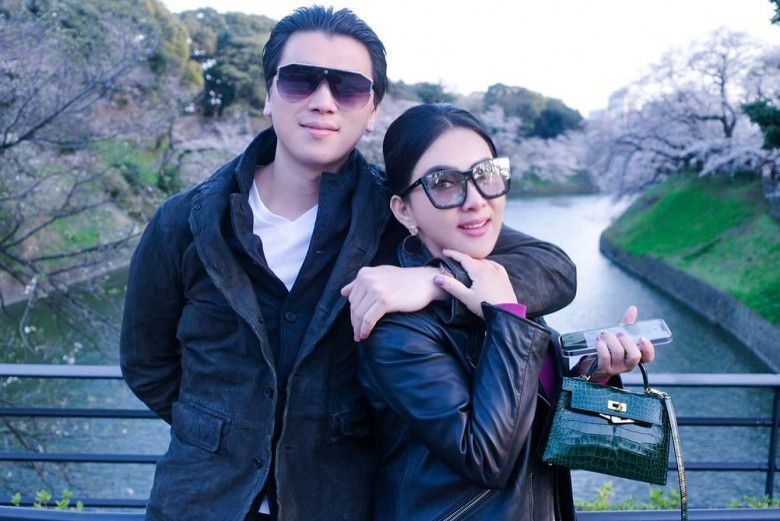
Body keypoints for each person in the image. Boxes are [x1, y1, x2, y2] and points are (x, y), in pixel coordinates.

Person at [119, 7, 577, 521]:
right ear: (269, 93)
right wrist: (217, 429)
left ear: (373, 109)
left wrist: (432, 280)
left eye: (349, 88)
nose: (323, 101)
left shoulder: (400, 213)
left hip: (339, 502)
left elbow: (552, 266)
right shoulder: (188, 219)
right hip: (200, 502)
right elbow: (146, 363)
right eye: (299, 80)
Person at [357, 103, 655, 521]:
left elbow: (534, 430)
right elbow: (485, 458)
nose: (475, 200)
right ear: (404, 209)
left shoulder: (498, 278)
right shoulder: (398, 327)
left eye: (485, 174)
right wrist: (505, 315)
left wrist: (596, 374)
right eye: (444, 183)